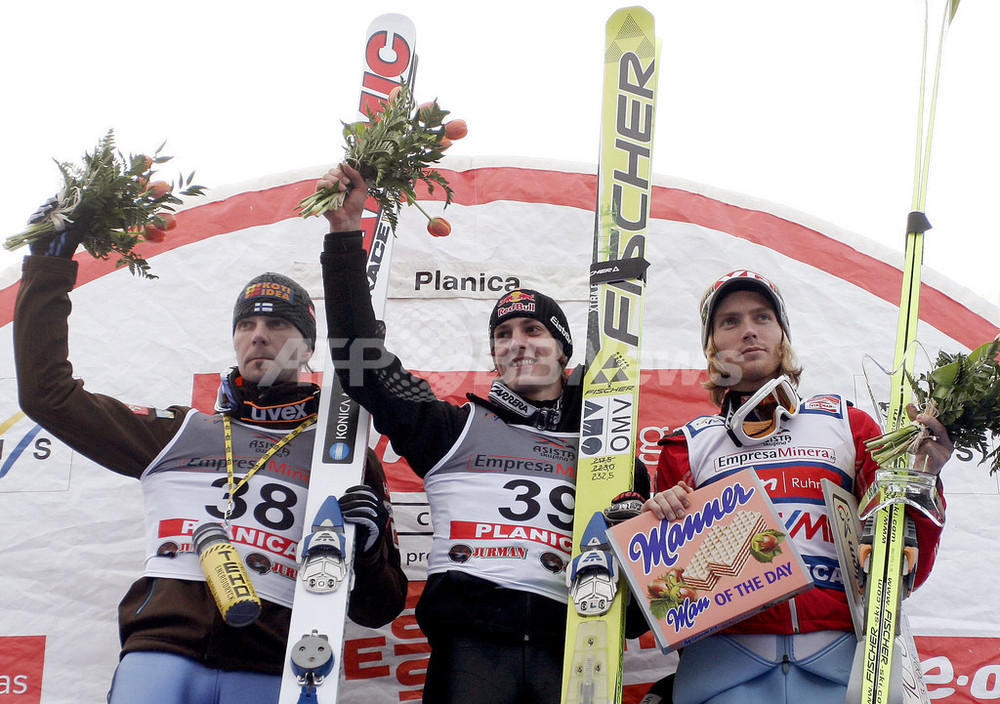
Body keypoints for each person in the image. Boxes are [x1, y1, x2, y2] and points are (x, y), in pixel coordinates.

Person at [13, 216, 407, 704]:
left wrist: (367, 553)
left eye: (277, 323)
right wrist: (48, 269)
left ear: (308, 348)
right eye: (247, 323)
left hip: (273, 666)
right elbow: (47, 396)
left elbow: (379, 608)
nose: (258, 335)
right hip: (162, 654)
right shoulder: (180, 432)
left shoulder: (343, 454)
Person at [317, 162, 650, 704]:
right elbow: (362, 365)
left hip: (570, 652)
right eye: (503, 334)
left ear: (563, 351)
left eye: (533, 330)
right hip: (469, 655)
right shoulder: (455, 429)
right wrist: (344, 234)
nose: (518, 342)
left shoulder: (610, 452)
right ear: (494, 355)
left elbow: (636, 617)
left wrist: (636, 541)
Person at [641, 269, 952, 704]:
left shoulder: (847, 424)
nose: (748, 331)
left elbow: (899, 560)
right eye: (729, 322)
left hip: (843, 667)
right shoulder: (687, 445)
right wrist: (658, 523)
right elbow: (672, 587)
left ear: (782, 334)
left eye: (762, 317)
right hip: (723, 672)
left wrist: (920, 477)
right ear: (711, 349)